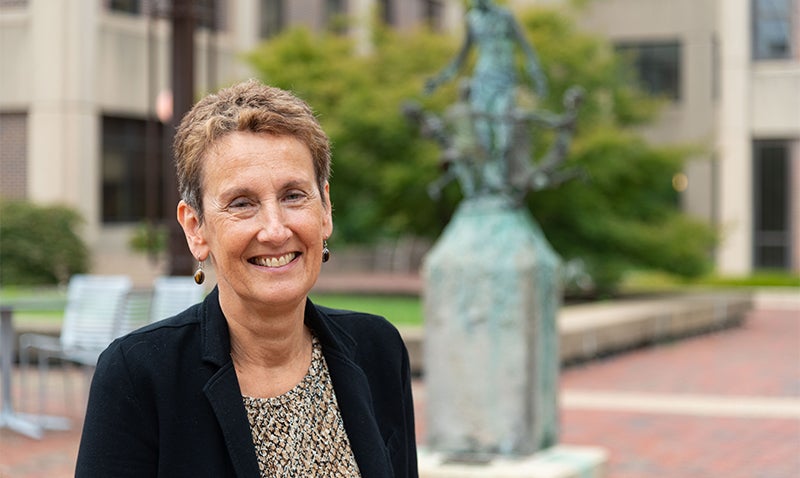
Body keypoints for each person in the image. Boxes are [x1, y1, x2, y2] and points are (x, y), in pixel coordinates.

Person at [75, 79, 418, 477]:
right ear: (196, 228)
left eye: (293, 196)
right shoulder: (138, 377)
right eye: (242, 203)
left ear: (325, 209)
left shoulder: (378, 349)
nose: (274, 230)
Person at [425, 0, 547, 182]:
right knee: (482, 137)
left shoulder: (505, 16)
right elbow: (461, 57)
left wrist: (537, 76)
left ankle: (505, 181)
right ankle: (491, 185)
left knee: (504, 134)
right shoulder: (472, 19)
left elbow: (526, 47)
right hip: (482, 79)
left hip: (504, 79)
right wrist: (439, 79)